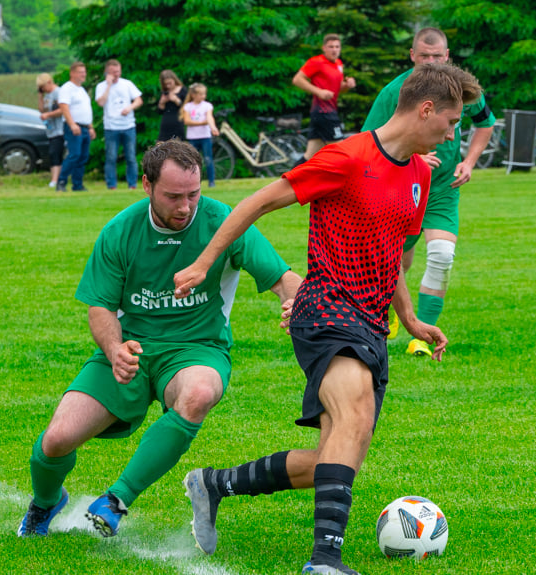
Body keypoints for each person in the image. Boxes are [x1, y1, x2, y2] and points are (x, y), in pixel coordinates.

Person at [173, 62, 468, 575]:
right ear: (425, 110)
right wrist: (202, 263)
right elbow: (255, 203)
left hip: (373, 324)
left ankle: (214, 484)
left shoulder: (422, 174)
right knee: (351, 416)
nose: (452, 132)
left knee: (338, 456)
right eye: (450, 120)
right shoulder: (347, 157)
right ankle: (324, 562)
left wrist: (412, 319)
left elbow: (391, 251)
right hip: (326, 308)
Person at [16, 139, 302, 539]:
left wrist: (298, 303)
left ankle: (116, 499)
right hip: (130, 348)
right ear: (147, 186)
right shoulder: (121, 230)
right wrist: (114, 349)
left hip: (196, 349)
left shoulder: (224, 221)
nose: (185, 207)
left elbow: (283, 278)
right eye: (173, 196)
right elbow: (99, 307)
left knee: (199, 393)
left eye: (193, 194)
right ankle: (46, 502)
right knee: (57, 439)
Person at [361, 27, 495, 356]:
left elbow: (486, 123)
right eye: (424, 57)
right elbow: (369, 141)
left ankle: (421, 337)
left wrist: (469, 161)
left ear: (447, 56)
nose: (431, 62)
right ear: (412, 56)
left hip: (443, 189)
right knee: (396, 264)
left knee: (441, 257)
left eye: (437, 56)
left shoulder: (463, 88)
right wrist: (412, 154)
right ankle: (392, 312)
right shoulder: (396, 91)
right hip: (403, 188)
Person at [293, 33, 356, 162]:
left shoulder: (339, 64)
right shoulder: (316, 62)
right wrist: (319, 91)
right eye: (331, 47)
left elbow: (337, 88)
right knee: (340, 150)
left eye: (337, 47)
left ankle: (290, 177)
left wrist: (347, 85)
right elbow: (297, 79)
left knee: (310, 156)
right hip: (324, 113)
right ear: (324, 48)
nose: (334, 50)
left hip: (326, 112)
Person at [95, 59, 143, 190]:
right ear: (107, 72)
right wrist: (108, 85)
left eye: (118, 71)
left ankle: (132, 184)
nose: (116, 74)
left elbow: (139, 100)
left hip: (128, 126)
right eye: (113, 72)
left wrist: (130, 107)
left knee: (131, 156)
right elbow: (100, 102)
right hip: (111, 127)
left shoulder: (127, 84)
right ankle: (111, 185)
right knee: (111, 157)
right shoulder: (101, 86)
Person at [56, 62, 95, 192]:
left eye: (84, 72)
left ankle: (77, 184)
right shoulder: (67, 88)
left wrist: (90, 127)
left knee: (83, 156)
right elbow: (64, 106)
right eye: (80, 72)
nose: (83, 75)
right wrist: (72, 124)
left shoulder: (81, 89)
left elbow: (84, 110)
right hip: (74, 126)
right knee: (74, 154)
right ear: (72, 73)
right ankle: (61, 181)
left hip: (84, 126)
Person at [180, 83, 220, 187]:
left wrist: (213, 127)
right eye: (201, 94)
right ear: (193, 95)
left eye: (204, 94)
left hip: (205, 137)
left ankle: (211, 181)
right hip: (193, 138)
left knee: (208, 159)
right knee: (192, 161)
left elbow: (210, 118)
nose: (203, 96)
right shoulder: (188, 107)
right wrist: (203, 122)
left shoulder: (207, 105)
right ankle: (192, 182)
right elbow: (187, 121)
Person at [36, 73, 64, 188]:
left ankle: (56, 179)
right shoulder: (47, 95)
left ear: (49, 82)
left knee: (55, 153)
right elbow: (42, 110)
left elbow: (63, 110)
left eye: (43, 87)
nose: (43, 89)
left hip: (60, 129)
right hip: (51, 130)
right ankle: (55, 179)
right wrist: (40, 96)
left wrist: (48, 115)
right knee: (53, 154)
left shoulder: (58, 93)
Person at [157, 69, 188, 142]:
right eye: (165, 84)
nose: (168, 86)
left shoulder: (183, 90)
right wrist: (162, 102)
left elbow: (187, 107)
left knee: (178, 145)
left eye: (170, 83)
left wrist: (176, 100)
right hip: (166, 122)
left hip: (178, 121)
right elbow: (159, 111)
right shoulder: (164, 92)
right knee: (161, 144)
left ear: (174, 79)